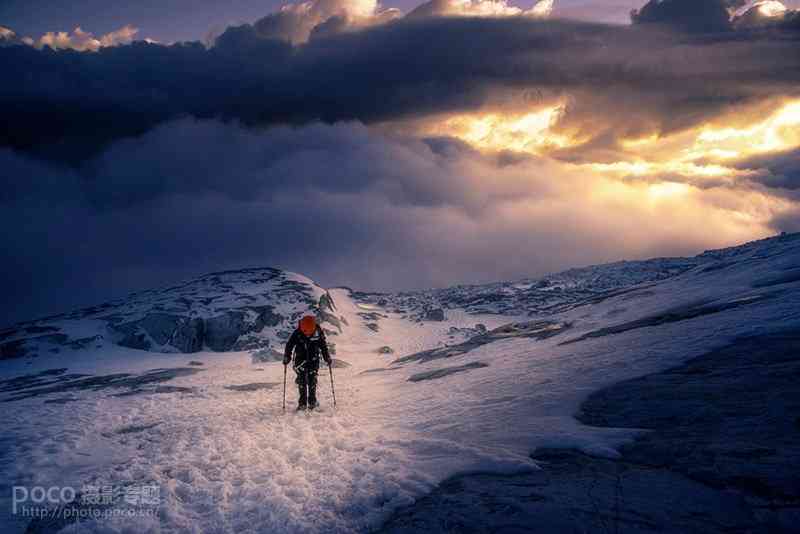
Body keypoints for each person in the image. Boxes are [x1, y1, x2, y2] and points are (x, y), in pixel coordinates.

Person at [283, 315, 332, 410]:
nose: (308, 335)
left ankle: (312, 402)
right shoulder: (297, 333)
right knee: (302, 381)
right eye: (306, 333)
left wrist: (327, 357)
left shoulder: (318, 332)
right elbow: (289, 345)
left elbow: (323, 346)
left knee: (312, 380)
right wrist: (287, 356)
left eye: (310, 333)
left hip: (313, 360)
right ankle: (302, 403)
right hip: (300, 360)